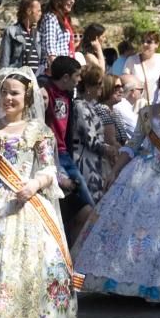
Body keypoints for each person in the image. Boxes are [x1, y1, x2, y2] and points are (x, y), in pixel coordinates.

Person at [73, 66, 160, 303]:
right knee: (130, 228)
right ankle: (128, 282)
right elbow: (133, 144)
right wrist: (116, 170)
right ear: (159, 84)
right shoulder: (147, 113)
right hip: (141, 175)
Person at [0, 67, 75, 318]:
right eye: (4, 92)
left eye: (14, 92)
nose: (8, 97)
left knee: (28, 273)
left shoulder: (39, 131)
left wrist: (34, 185)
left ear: (26, 97)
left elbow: (50, 169)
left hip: (28, 207)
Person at [44, 56, 93, 241]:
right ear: (65, 77)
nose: (79, 80)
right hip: (52, 155)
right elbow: (40, 80)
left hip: (65, 153)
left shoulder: (67, 95)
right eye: (77, 76)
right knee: (71, 202)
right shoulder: (46, 90)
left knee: (85, 204)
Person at [70, 65, 118, 206]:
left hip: (92, 160)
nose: (101, 87)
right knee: (91, 205)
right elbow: (91, 140)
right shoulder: (80, 107)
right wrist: (110, 149)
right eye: (98, 84)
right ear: (88, 86)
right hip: (84, 161)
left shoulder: (88, 106)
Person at [123, 30, 160, 106]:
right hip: (138, 107)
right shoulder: (132, 60)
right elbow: (124, 82)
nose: (145, 44)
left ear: (157, 44)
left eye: (149, 42)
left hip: (159, 106)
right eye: (143, 41)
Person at [0, 0, 44, 73]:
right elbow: (4, 63)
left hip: (35, 81)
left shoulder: (38, 35)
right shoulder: (11, 32)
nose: (40, 14)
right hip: (16, 80)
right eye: (38, 11)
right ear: (29, 11)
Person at [40, 0, 77, 72]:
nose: (72, 1)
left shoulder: (65, 20)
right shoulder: (51, 18)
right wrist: (58, 73)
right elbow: (50, 49)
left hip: (65, 68)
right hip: (53, 71)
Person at [99, 74, 131, 146]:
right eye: (117, 87)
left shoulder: (116, 112)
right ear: (107, 88)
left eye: (121, 87)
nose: (121, 90)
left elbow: (124, 139)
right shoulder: (101, 110)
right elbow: (111, 141)